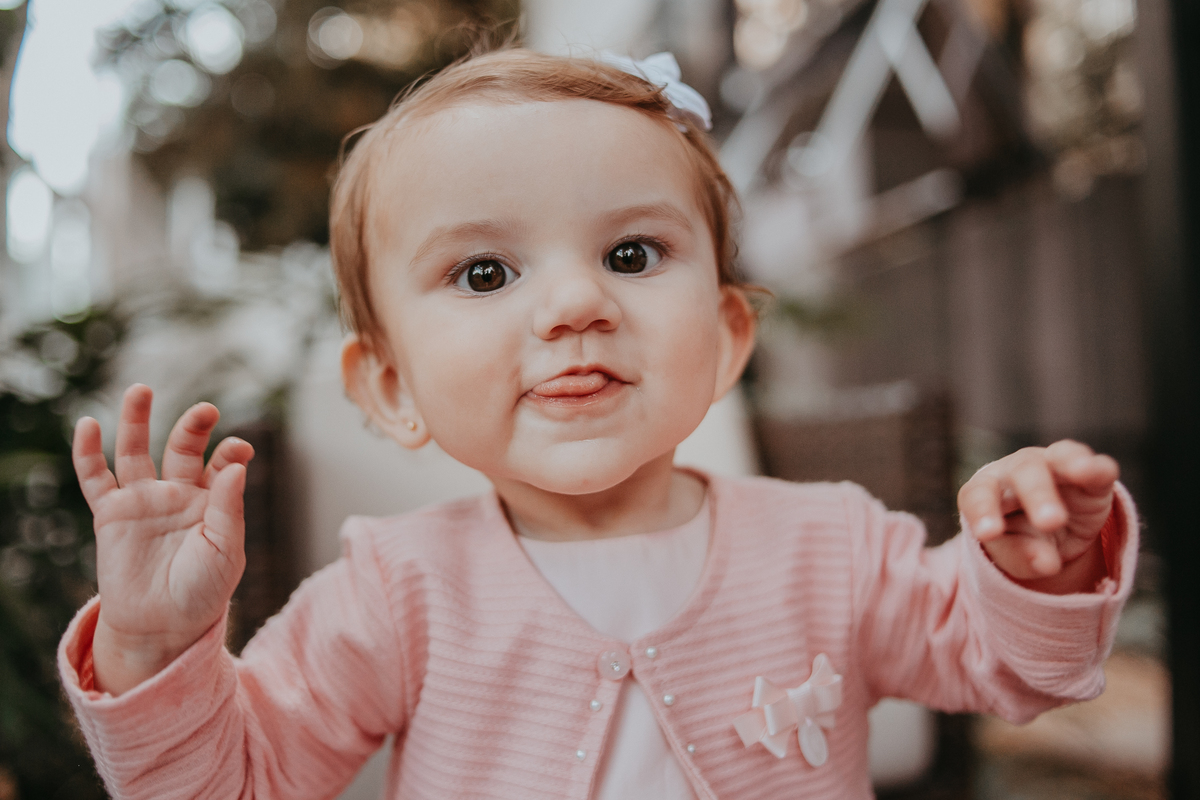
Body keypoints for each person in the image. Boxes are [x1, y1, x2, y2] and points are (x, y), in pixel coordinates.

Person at [59, 48, 1136, 800]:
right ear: (389, 385)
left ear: (722, 334)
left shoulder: (833, 543)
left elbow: (1010, 664)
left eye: (631, 254)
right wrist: (154, 646)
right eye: (484, 271)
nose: (575, 306)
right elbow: (232, 781)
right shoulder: (394, 592)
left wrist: (1038, 570)